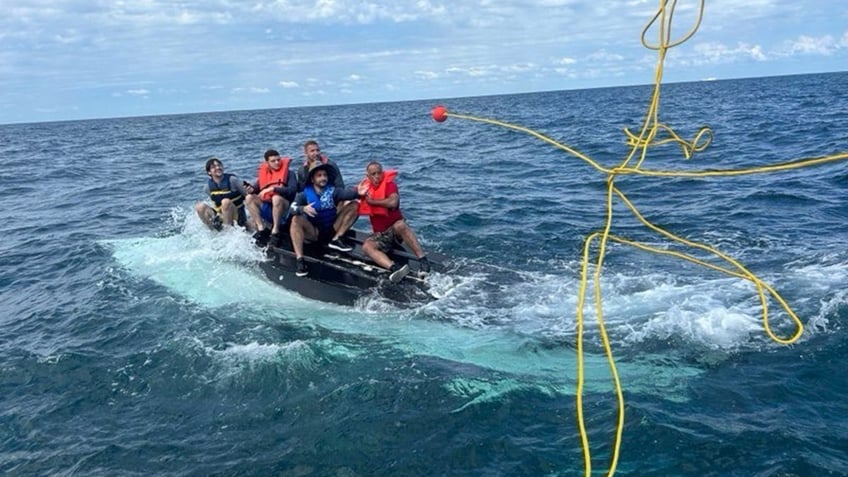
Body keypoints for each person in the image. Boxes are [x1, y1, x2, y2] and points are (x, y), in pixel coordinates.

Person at [357, 161, 430, 281]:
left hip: (395, 231)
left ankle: (423, 261)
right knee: (367, 247)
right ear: (368, 176)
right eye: (373, 174)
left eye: (379, 173)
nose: (377, 176)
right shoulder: (365, 189)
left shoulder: (390, 185)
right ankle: (394, 268)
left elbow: (393, 202)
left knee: (400, 225)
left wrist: (372, 202)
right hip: (381, 235)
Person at [289, 162, 361, 277]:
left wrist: (358, 192)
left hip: (332, 228)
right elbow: (292, 209)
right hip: (314, 232)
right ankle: (300, 260)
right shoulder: (303, 195)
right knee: (295, 220)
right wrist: (302, 208)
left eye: (325, 175)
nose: (323, 178)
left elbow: (347, 194)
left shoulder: (333, 191)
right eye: (319, 175)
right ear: (312, 179)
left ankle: (337, 239)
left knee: (355, 205)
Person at [245, 149, 297, 247]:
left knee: (276, 198)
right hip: (269, 209)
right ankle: (261, 229)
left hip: (284, 210)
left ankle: (275, 232)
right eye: (273, 161)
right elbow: (255, 190)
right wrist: (251, 189)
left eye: (278, 160)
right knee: (249, 198)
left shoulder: (290, 174)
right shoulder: (265, 176)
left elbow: (292, 190)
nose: (277, 163)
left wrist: (273, 189)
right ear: (267, 163)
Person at [195, 157, 255, 231]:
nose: (218, 168)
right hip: (222, 216)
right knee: (199, 207)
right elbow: (216, 203)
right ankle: (212, 231)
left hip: (238, 216)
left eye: (219, 165)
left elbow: (248, 197)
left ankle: (227, 233)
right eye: (213, 167)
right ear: (209, 172)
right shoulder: (207, 188)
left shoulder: (233, 180)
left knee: (225, 201)